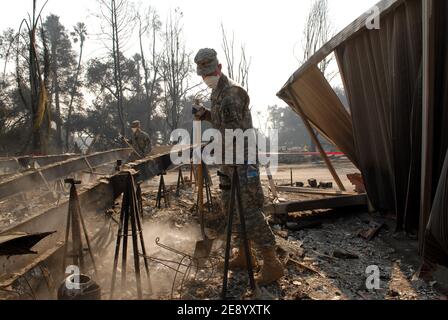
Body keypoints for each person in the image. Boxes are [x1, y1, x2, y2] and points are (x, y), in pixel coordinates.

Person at [193, 48, 284, 286]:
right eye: (203, 74)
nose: (206, 77)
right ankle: (244, 254)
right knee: (231, 208)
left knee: (249, 211)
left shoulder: (232, 92)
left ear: (219, 67)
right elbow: (223, 121)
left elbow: (233, 132)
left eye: (209, 72)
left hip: (242, 162)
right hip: (228, 161)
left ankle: (272, 262)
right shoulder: (218, 91)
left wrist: (209, 144)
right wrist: (206, 115)